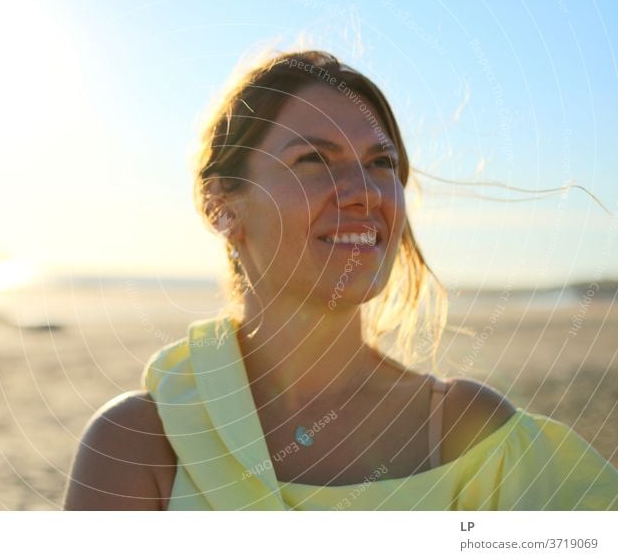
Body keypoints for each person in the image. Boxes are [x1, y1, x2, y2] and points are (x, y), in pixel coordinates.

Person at [63, 48, 618, 511]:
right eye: (314, 160)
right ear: (223, 208)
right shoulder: (142, 444)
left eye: (381, 164)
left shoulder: (467, 433)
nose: (365, 191)